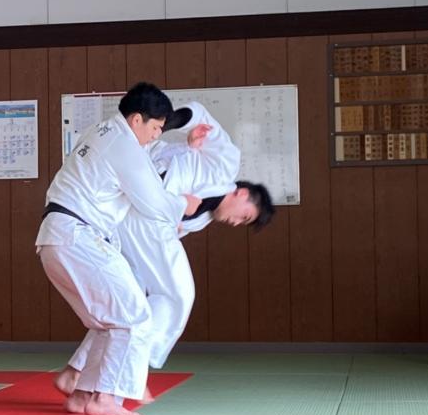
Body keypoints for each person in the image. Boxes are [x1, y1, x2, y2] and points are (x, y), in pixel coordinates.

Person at [56, 102, 275, 397]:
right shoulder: (225, 163)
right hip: (132, 216)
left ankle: (76, 373)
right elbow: (197, 113)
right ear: (243, 193)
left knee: (129, 301)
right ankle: (130, 371)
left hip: (135, 226)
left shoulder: (200, 219)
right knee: (177, 294)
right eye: (244, 217)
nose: (236, 223)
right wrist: (165, 126)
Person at [36, 82, 200, 415]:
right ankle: (106, 397)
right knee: (135, 317)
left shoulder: (102, 133)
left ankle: (82, 394)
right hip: (78, 237)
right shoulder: (124, 145)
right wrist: (181, 205)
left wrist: (186, 148)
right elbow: (153, 200)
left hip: (58, 238)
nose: (156, 136)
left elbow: (145, 169)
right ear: (137, 119)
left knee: (107, 321)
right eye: (156, 128)